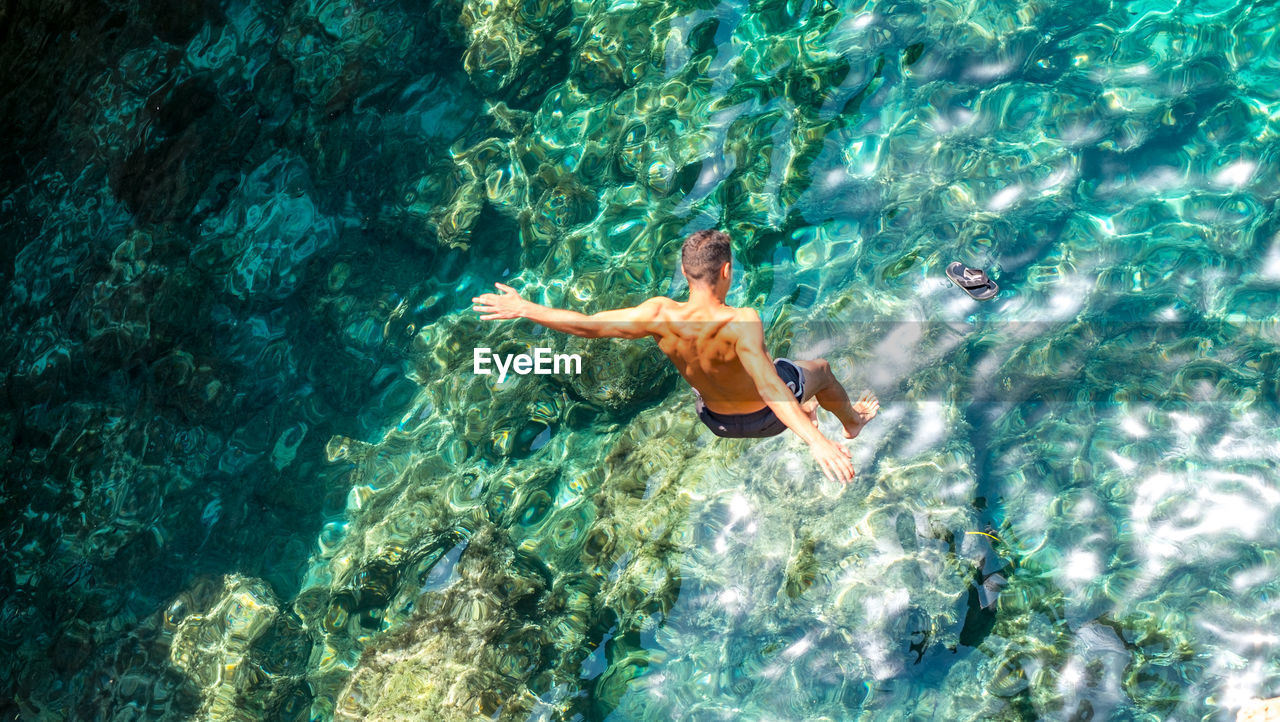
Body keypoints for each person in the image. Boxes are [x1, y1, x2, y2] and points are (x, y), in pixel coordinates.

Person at [472, 229, 879, 483]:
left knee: (766, 370)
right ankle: (852, 422)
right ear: (726, 272)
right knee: (816, 371)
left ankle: (803, 409)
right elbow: (768, 384)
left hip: (715, 422)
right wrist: (816, 442)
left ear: (686, 275)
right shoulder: (742, 320)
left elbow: (587, 324)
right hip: (767, 418)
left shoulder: (659, 315)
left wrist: (525, 308)